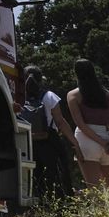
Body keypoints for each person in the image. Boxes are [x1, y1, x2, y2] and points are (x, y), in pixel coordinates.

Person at [23, 65, 75, 202]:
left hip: (27, 142)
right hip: (50, 142)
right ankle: (60, 206)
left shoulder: (19, 97)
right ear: (41, 80)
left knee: (34, 177)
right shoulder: (49, 96)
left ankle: (35, 208)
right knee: (56, 175)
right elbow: (60, 122)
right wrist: (75, 143)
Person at [67, 58, 109, 188]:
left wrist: (100, 142)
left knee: (94, 189)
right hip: (107, 137)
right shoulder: (107, 94)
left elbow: (81, 125)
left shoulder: (73, 95)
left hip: (86, 140)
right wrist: (106, 143)